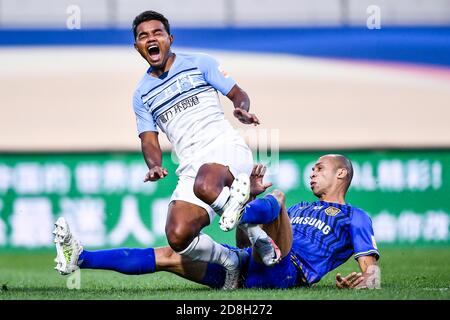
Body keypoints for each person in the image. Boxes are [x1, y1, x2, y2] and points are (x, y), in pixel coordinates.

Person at [53, 10, 272, 289]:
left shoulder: (200, 63)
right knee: (178, 236)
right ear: (137, 47)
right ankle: (231, 260)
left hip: (226, 149)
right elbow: (149, 139)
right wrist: (153, 165)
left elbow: (238, 93)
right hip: (191, 166)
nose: (151, 38)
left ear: (170, 38)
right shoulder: (141, 94)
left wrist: (241, 109)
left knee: (206, 182)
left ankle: (254, 232)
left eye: (157, 33)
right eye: (143, 36)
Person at [53, 155, 380, 290]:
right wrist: (251, 198)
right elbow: (241, 243)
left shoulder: (356, 217)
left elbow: (372, 268)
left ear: (341, 174)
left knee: (277, 197)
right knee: (169, 254)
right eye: (312, 169)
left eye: (319, 168)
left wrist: (368, 279)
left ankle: (236, 207)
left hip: (287, 270)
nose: (312, 172)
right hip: (246, 267)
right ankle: (80, 258)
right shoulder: (301, 209)